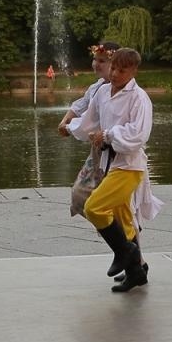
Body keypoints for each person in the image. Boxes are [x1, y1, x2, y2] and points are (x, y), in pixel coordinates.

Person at [74, 47, 161, 294]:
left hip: (129, 166)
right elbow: (89, 120)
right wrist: (70, 127)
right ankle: (136, 272)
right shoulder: (103, 91)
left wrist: (108, 135)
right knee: (124, 221)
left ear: (133, 71)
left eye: (121, 70)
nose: (114, 74)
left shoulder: (139, 98)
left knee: (94, 207)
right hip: (109, 163)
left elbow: (138, 135)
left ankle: (124, 251)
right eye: (113, 68)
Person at [59, 42, 120, 218]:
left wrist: (70, 128)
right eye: (95, 60)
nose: (96, 64)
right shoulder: (97, 87)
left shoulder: (124, 91)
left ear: (115, 64)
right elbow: (81, 105)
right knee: (80, 194)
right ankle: (111, 227)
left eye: (102, 61)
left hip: (118, 151)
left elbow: (89, 121)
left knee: (116, 200)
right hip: (97, 151)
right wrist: (65, 121)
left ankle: (118, 229)